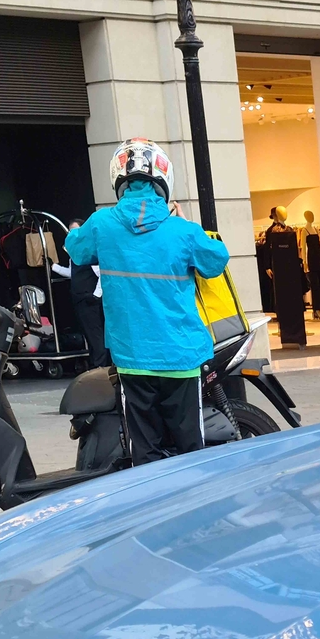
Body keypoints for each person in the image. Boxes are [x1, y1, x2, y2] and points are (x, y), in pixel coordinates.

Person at [62, 139, 229, 464]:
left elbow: (77, 251)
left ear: (119, 181)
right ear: (163, 181)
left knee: (145, 448)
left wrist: (73, 230)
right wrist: (186, 222)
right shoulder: (182, 230)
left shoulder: (101, 224)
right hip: (180, 357)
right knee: (189, 448)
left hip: (133, 357)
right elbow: (215, 262)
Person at [261, 205, 308, 348]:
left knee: (291, 299)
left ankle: (292, 330)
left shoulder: (289, 230)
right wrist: (267, 265)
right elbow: (267, 250)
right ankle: (284, 327)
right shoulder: (271, 231)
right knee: (281, 298)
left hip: (290, 270)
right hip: (279, 270)